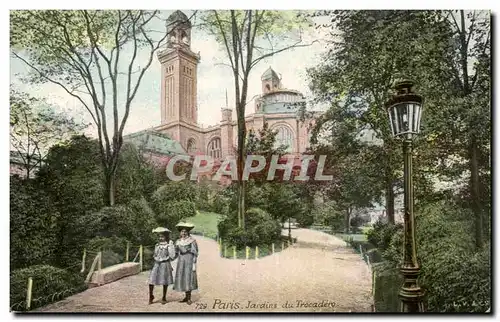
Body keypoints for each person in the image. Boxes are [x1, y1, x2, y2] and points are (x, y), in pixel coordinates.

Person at [148, 228, 176, 305]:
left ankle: (164, 297)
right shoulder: (157, 245)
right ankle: (151, 296)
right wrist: (156, 258)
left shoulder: (168, 245)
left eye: (162, 237)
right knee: (151, 280)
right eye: (159, 237)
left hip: (165, 264)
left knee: (164, 280)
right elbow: (155, 254)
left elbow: (172, 256)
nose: (160, 238)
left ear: (166, 237)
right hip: (157, 263)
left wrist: (170, 245)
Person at [173, 222, 198, 305]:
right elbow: (175, 253)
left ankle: (189, 298)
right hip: (181, 261)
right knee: (182, 277)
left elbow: (195, 252)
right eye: (182, 231)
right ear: (180, 232)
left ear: (188, 232)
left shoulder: (192, 241)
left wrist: (194, 263)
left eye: (185, 231)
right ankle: (185, 297)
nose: (183, 233)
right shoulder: (178, 241)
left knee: (188, 277)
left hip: (189, 260)